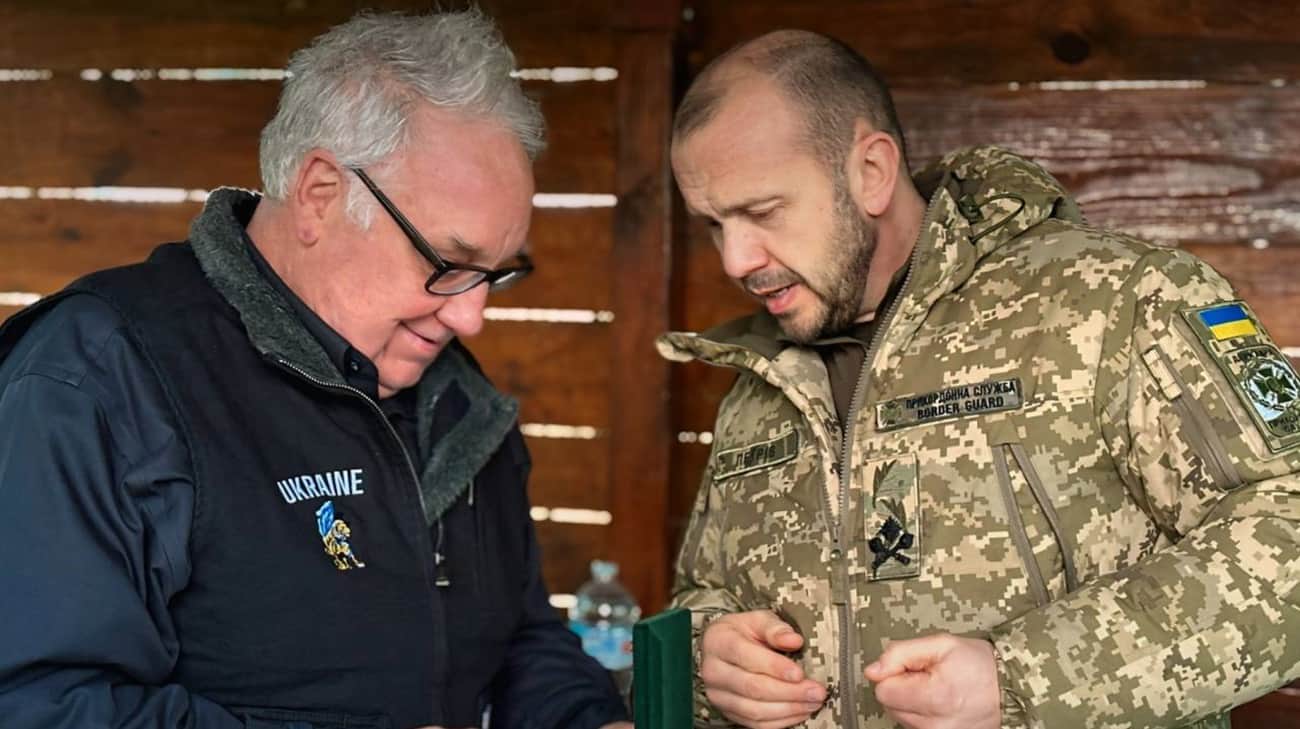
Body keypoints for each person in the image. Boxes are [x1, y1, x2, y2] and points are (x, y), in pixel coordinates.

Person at [0, 10, 631, 729]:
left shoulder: (456, 397)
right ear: (320, 195)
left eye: (496, 273)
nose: (471, 317)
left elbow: (517, 643)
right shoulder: (98, 376)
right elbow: (37, 705)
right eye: (450, 263)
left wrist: (589, 719)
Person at [658, 29, 1300, 729]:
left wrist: (1021, 678)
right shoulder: (759, 376)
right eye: (714, 224)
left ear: (871, 172)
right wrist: (709, 658)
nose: (736, 260)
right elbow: (702, 593)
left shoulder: (1114, 299)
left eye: (761, 213)